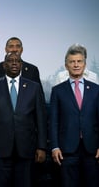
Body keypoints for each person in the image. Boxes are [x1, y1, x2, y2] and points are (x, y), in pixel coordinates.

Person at [0, 52, 47, 187]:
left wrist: (41, 146)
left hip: (26, 149)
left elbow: (41, 119)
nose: (14, 63)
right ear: (4, 65)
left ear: (21, 65)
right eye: (10, 61)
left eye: (17, 61)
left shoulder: (34, 87)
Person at [49, 44, 99, 187]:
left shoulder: (96, 90)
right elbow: (53, 121)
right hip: (67, 150)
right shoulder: (57, 90)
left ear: (84, 64)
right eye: (72, 62)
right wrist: (54, 147)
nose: (76, 65)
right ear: (66, 65)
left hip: (92, 150)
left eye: (79, 61)